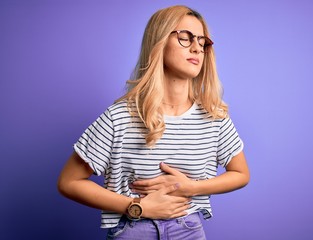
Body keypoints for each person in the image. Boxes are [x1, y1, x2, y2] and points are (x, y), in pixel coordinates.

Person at [58, 5, 250, 240]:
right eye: (185, 37)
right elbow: (69, 181)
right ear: (159, 41)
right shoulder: (119, 117)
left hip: (188, 230)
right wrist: (137, 206)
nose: (196, 48)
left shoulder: (214, 116)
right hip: (132, 230)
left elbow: (241, 173)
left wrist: (192, 187)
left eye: (202, 42)